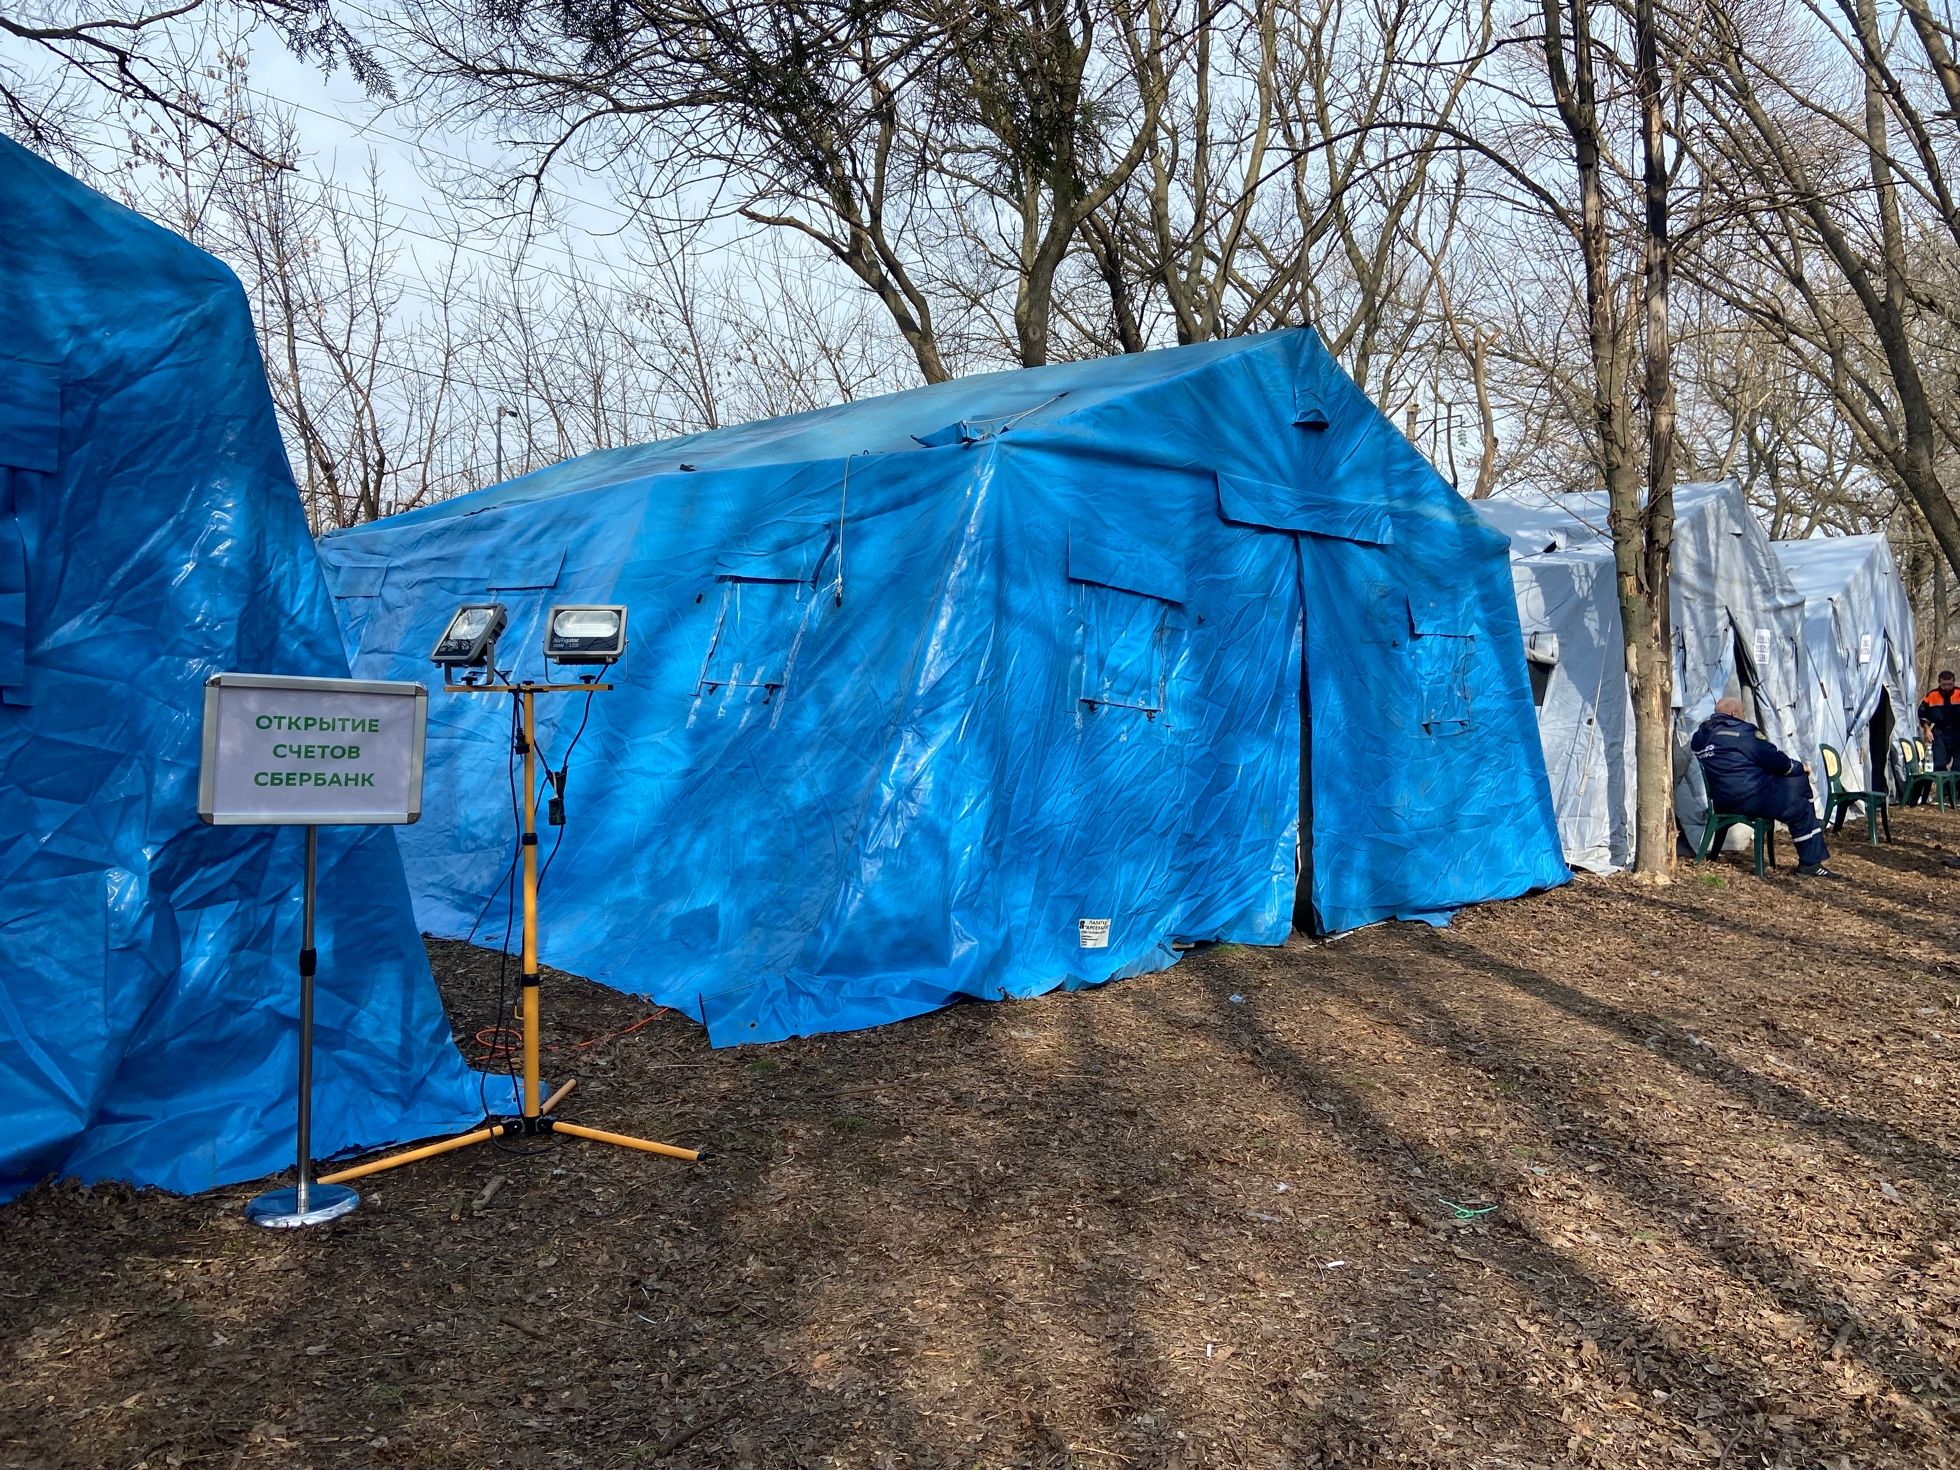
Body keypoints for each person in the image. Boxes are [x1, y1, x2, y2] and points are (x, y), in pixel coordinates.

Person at [1691, 697, 1843, 879]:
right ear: (1734, 713)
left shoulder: (1700, 736)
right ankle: (1810, 862)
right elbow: (1776, 761)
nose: (1745, 717)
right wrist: (1797, 767)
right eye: (1743, 713)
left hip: (1722, 800)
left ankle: (1810, 820)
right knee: (1800, 802)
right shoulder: (1742, 732)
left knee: (1798, 790)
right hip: (1751, 798)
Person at [1920, 670, 1960, 773]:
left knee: (1958, 766)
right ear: (1939, 683)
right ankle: (1943, 783)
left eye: (1950, 684)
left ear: (1954, 682)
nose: (1947, 687)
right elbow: (1922, 713)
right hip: (1939, 732)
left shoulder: (1959, 693)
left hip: (1957, 732)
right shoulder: (1932, 695)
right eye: (1944, 685)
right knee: (1939, 763)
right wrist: (1926, 729)